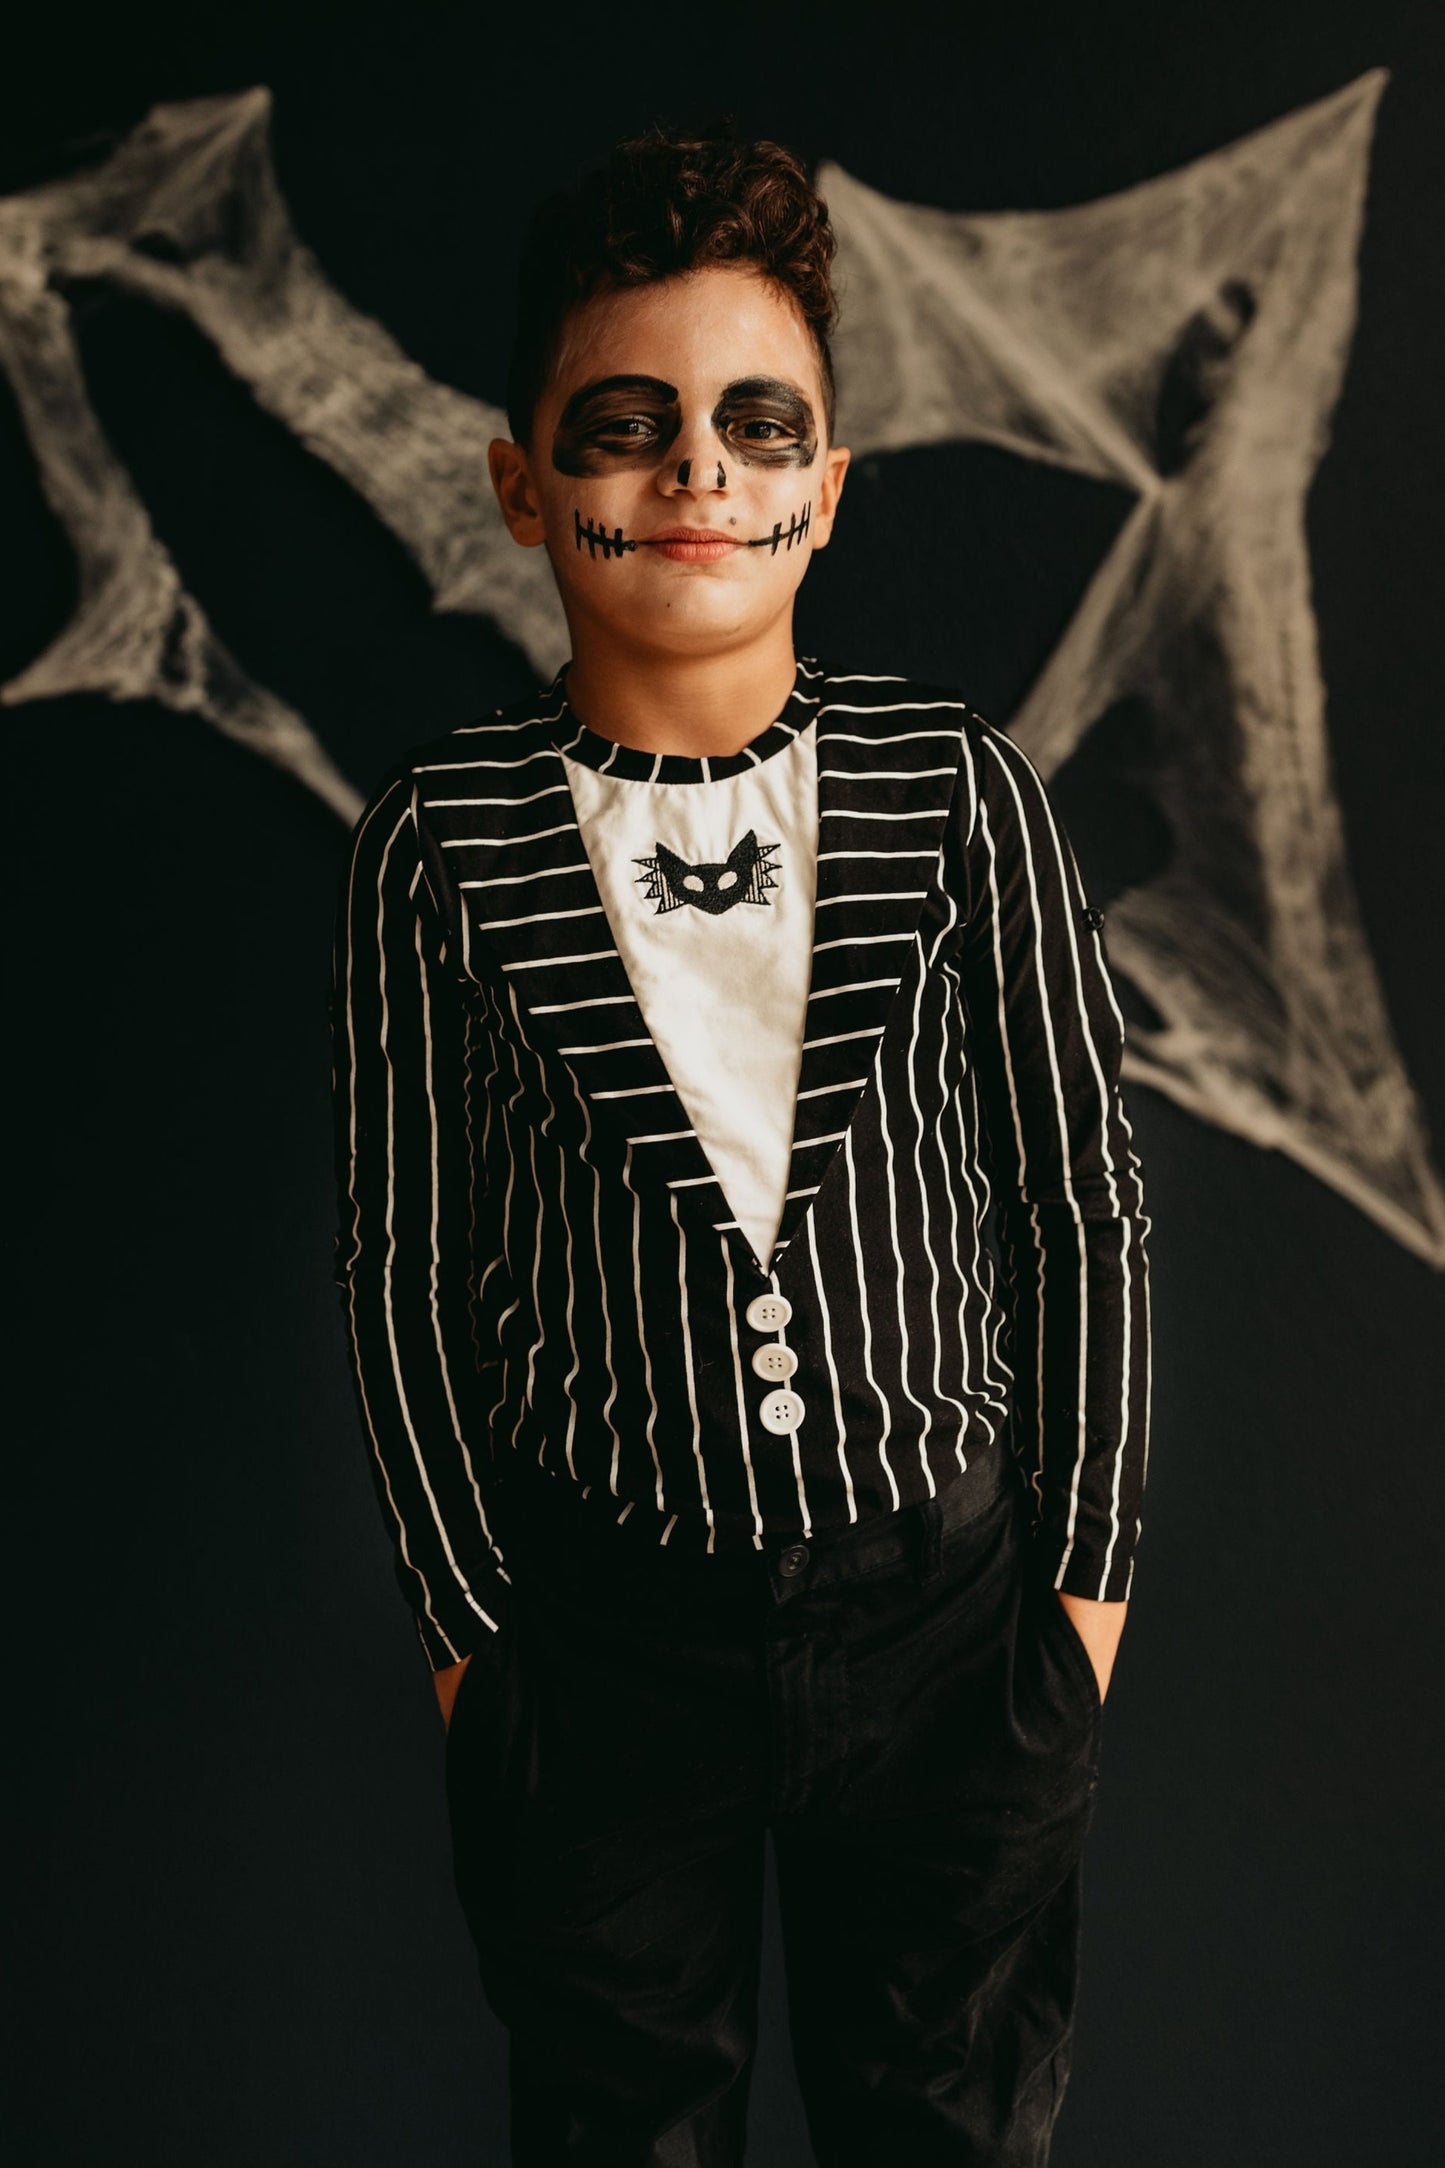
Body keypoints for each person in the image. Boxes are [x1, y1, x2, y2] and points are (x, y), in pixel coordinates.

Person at [330, 123, 1151, 2168]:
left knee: (949, 2128)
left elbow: (1084, 1209)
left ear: (826, 490)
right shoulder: (437, 847)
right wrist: (472, 1650)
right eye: (627, 424)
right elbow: (404, 1272)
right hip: (604, 1661)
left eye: (752, 422)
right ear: (524, 484)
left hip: (955, 1639)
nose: (695, 468)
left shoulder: (963, 796)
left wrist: (1079, 1610)